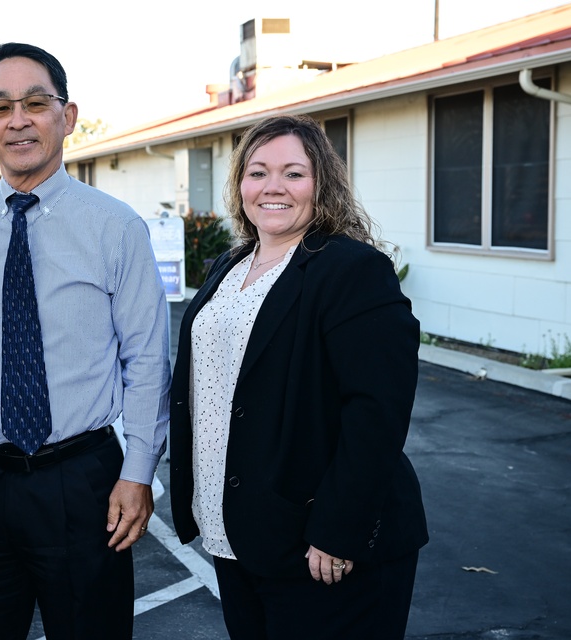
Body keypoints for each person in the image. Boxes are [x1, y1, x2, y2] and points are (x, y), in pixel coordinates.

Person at [0, 42, 170, 639]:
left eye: (36, 102)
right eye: (0, 107)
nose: (18, 120)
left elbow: (147, 360)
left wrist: (138, 472)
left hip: (82, 481)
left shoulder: (115, 227)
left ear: (69, 115)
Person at [169, 114, 428, 639]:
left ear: (322, 185)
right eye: (258, 172)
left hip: (319, 544)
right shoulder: (230, 265)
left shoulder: (350, 269)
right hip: (238, 532)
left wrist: (339, 530)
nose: (273, 188)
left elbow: (377, 410)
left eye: (293, 173)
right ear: (240, 182)